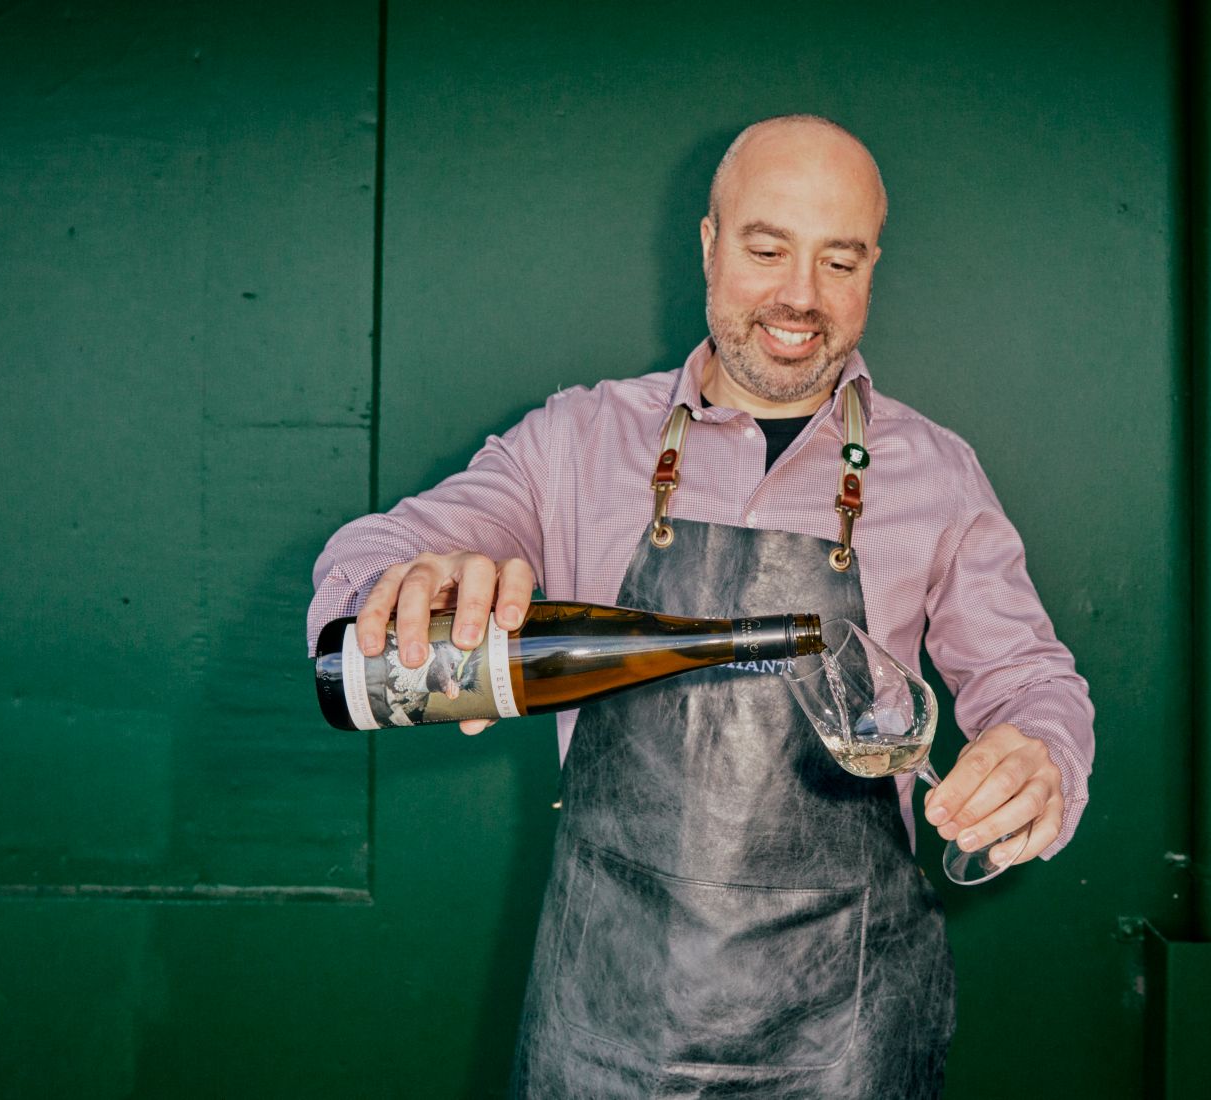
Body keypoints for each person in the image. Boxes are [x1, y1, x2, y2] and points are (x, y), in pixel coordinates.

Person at [308, 114, 1095, 1098]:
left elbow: (1029, 679)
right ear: (710, 243)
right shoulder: (575, 439)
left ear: (873, 265)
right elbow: (371, 555)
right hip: (606, 1028)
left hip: (847, 1039)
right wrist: (405, 585)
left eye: (839, 261)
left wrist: (1040, 753)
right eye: (767, 249)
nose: (800, 297)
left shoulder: (937, 472)